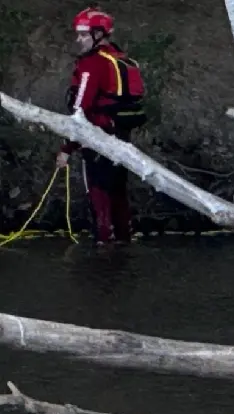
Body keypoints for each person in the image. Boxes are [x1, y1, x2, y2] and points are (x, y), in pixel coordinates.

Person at [57, 7, 148, 246]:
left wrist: (67, 148)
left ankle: (103, 246)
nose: (79, 40)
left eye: (84, 35)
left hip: (97, 137)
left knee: (99, 191)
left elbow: (80, 108)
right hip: (122, 136)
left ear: (98, 34)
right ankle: (123, 243)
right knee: (118, 190)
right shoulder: (119, 57)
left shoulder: (93, 63)